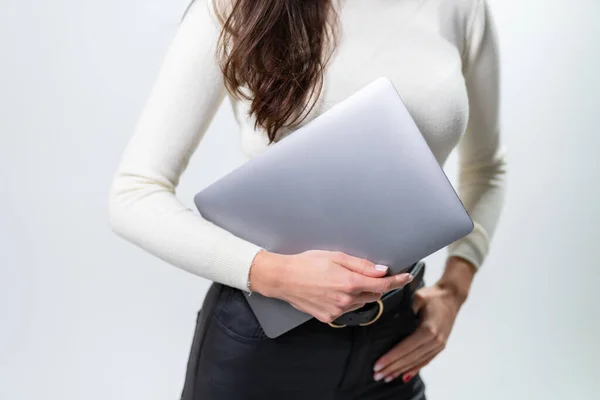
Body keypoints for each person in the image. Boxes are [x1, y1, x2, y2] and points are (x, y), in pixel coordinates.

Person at [108, 0, 506, 398]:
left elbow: (486, 170)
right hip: (263, 344)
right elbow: (135, 193)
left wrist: (454, 291)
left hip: (392, 343)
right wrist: (273, 274)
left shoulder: (460, 7)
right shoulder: (231, 7)